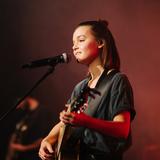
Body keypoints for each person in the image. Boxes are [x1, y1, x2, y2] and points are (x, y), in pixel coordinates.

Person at [38, 19, 136, 160]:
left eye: (81, 40)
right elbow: (64, 122)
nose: (74, 47)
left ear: (100, 43)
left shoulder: (117, 80)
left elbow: (122, 129)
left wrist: (86, 121)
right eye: (73, 43)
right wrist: (47, 140)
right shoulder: (80, 87)